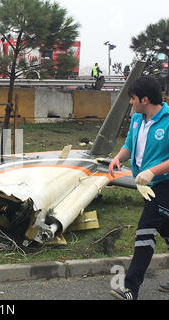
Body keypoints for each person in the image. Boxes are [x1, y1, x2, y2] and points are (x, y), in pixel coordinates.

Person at [108, 75, 169, 300]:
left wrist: (153, 171)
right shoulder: (136, 119)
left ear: (145, 99)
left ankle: (130, 288)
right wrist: (118, 158)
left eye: (133, 98)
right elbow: (129, 144)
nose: (130, 103)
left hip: (164, 186)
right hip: (145, 186)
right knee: (166, 229)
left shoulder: (168, 120)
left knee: (145, 230)